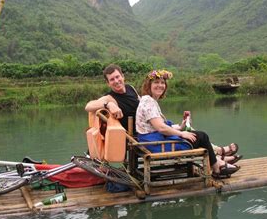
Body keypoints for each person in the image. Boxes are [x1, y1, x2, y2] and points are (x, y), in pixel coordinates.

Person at [84, 64, 241, 162]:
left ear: (123, 76)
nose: (116, 81)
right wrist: (109, 104)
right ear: (108, 82)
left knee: (187, 129)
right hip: (139, 136)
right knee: (187, 134)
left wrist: (165, 121)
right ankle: (219, 154)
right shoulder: (110, 96)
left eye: (118, 77)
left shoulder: (131, 88)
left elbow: (143, 107)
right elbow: (89, 106)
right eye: (112, 79)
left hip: (150, 126)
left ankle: (218, 154)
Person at [135, 69, 240, 178]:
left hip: (156, 141)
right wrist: (181, 133)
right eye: (156, 82)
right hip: (156, 145)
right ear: (149, 85)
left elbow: (157, 126)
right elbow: (160, 127)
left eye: (162, 83)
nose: (160, 85)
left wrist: (180, 127)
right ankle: (217, 167)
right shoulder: (148, 102)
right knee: (201, 137)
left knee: (197, 135)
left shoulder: (149, 101)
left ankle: (218, 161)